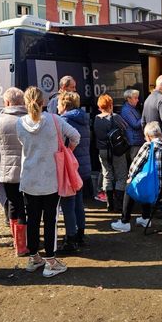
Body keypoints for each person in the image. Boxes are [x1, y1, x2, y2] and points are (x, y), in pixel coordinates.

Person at [16, 86, 80, 278]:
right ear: (43, 101)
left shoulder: (19, 123)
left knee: (32, 218)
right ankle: (50, 261)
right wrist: (68, 150)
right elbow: (76, 136)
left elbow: (24, 144)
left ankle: (34, 257)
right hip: (51, 177)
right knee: (50, 219)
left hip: (28, 178)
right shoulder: (55, 120)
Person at [111, 121, 162, 232]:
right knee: (146, 181)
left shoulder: (148, 146)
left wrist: (130, 177)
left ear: (148, 136)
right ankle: (145, 218)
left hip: (156, 193)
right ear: (160, 135)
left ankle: (125, 221)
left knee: (131, 185)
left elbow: (135, 166)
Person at [0, 87, 28, 257]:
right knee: (29, 206)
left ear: (7, 102)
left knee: (13, 204)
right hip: (29, 171)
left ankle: (18, 244)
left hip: (7, 172)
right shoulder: (29, 119)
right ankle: (27, 242)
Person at [57, 91, 90, 253]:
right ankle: (81, 235)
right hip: (84, 167)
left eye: (58, 103)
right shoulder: (84, 119)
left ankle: (71, 238)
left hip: (70, 168)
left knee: (68, 204)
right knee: (79, 203)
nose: (57, 106)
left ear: (64, 104)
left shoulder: (64, 121)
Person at [94, 93, 129, 212]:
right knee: (121, 175)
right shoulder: (115, 117)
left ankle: (109, 203)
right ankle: (119, 204)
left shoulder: (96, 118)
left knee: (107, 174)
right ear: (111, 105)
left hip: (102, 151)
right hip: (116, 150)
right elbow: (126, 127)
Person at [120, 88, 145, 162]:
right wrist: (145, 116)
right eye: (135, 98)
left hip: (137, 140)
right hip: (134, 141)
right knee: (136, 162)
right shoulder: (126, 110)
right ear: (128, 99)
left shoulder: (132, 108)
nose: (137, 100)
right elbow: (135, 125)